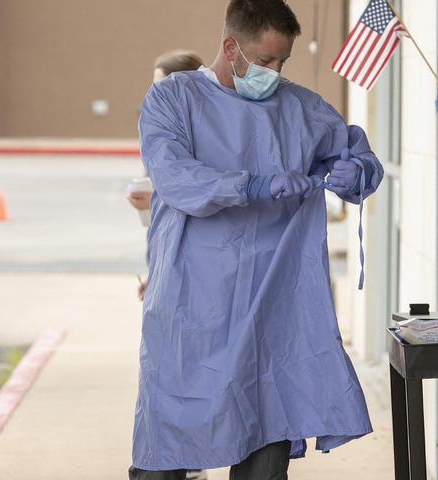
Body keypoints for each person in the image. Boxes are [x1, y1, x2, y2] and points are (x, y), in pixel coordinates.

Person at [129, 0, 384, 478]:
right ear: (231, 47)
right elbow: (175, 177)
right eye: (265, 61)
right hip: (192, 309)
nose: (274, 72)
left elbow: (357, 156)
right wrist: (252, 185)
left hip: (274, 310)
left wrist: (359, 172)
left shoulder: (301, 108)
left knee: (265, 446)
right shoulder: (173, 101)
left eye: (282, 61)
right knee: (166, 454)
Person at [128, 50, 204, 302]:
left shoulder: (202, 138)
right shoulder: (160, 134)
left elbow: (202, 200)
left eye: (160, 87)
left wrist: (154, 199)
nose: (153, 96)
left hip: (192, 275)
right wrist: (155, 276)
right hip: (165, 267)